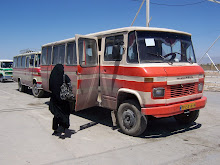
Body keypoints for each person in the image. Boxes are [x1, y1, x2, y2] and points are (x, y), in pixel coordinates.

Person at [49, 64, 71, 135]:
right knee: (65, 113)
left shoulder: (52, 77)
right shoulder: (65, 77)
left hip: (54, 99)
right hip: (63, 99)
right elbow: (70, 87)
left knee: (56, 114)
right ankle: (63, 127)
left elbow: (50, 88)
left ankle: (55, 128)